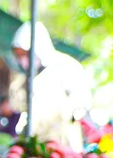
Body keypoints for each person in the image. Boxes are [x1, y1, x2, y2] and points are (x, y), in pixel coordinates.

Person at [11, 22, 93, 151]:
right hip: (36, 148)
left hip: (65, 147)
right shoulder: (24, 80)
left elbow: (83, 102)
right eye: (18, 56)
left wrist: (66, 116)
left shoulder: (66, 66)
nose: (22, 60)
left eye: (24, 54)